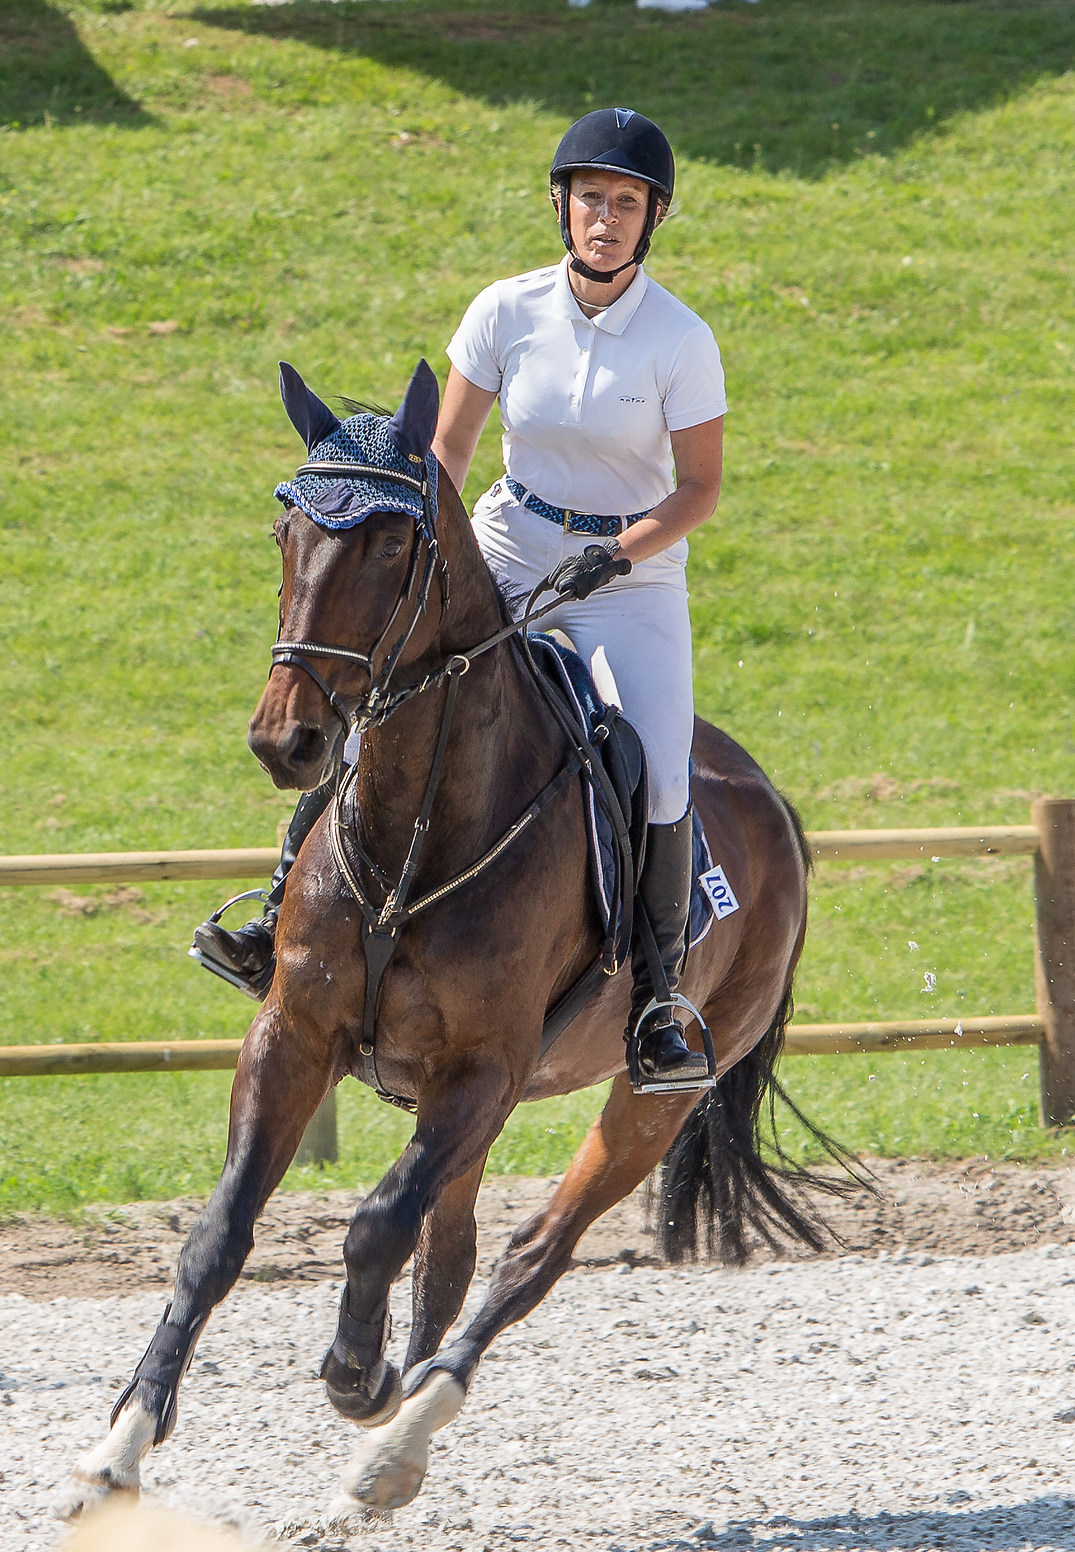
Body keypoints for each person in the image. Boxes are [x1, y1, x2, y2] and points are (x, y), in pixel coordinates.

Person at [194, 107, 724, 1094]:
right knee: (381, 692)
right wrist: (424, 562)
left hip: (630, 578)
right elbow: (446, 453)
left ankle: (658, 1003)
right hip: (509, 541)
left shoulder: (680, 339)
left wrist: (615, 554)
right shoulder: (504, 311)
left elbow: (699, 490)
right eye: (591, 198)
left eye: (626, 202)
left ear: (653, 217)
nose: (605, 218)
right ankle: (272, 917)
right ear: (562, 205)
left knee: (655, 768)